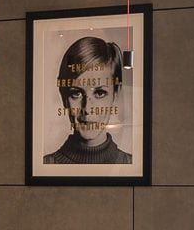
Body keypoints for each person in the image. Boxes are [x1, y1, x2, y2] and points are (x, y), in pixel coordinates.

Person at [44, 36, 132, 165]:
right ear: (64, 97)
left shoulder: (132, 164)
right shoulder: (45, 164)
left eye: (100, 93)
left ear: (115, 94)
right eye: (76, 93)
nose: (88, 109)